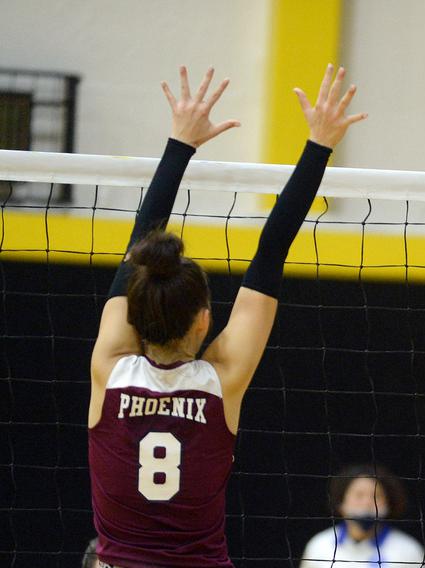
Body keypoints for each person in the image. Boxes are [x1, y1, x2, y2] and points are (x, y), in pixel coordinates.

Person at [88, 64, 365, 567]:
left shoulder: (110, 370)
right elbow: (271, 251)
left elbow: (139, 244)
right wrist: (320, 143)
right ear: (202, 320)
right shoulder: (222, 379)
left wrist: (179, 144)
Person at [300, 463, 425, 567]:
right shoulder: (319, 546)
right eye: (359, 495)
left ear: (389, 503)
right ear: (341, 502)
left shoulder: (409, 550)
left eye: (375, 496)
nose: (367, 503)